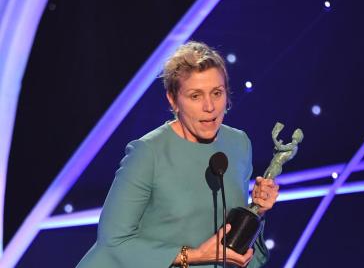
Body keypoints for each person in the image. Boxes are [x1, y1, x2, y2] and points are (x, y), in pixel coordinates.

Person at [76, 41, 279, 268]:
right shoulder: (147, 153)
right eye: (195, 96)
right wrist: (193, 256)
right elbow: (112, 242)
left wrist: (257, 210)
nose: (210, 106)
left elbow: (225, 238)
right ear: (173, 100)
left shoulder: (238, 144)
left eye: (217, 93)